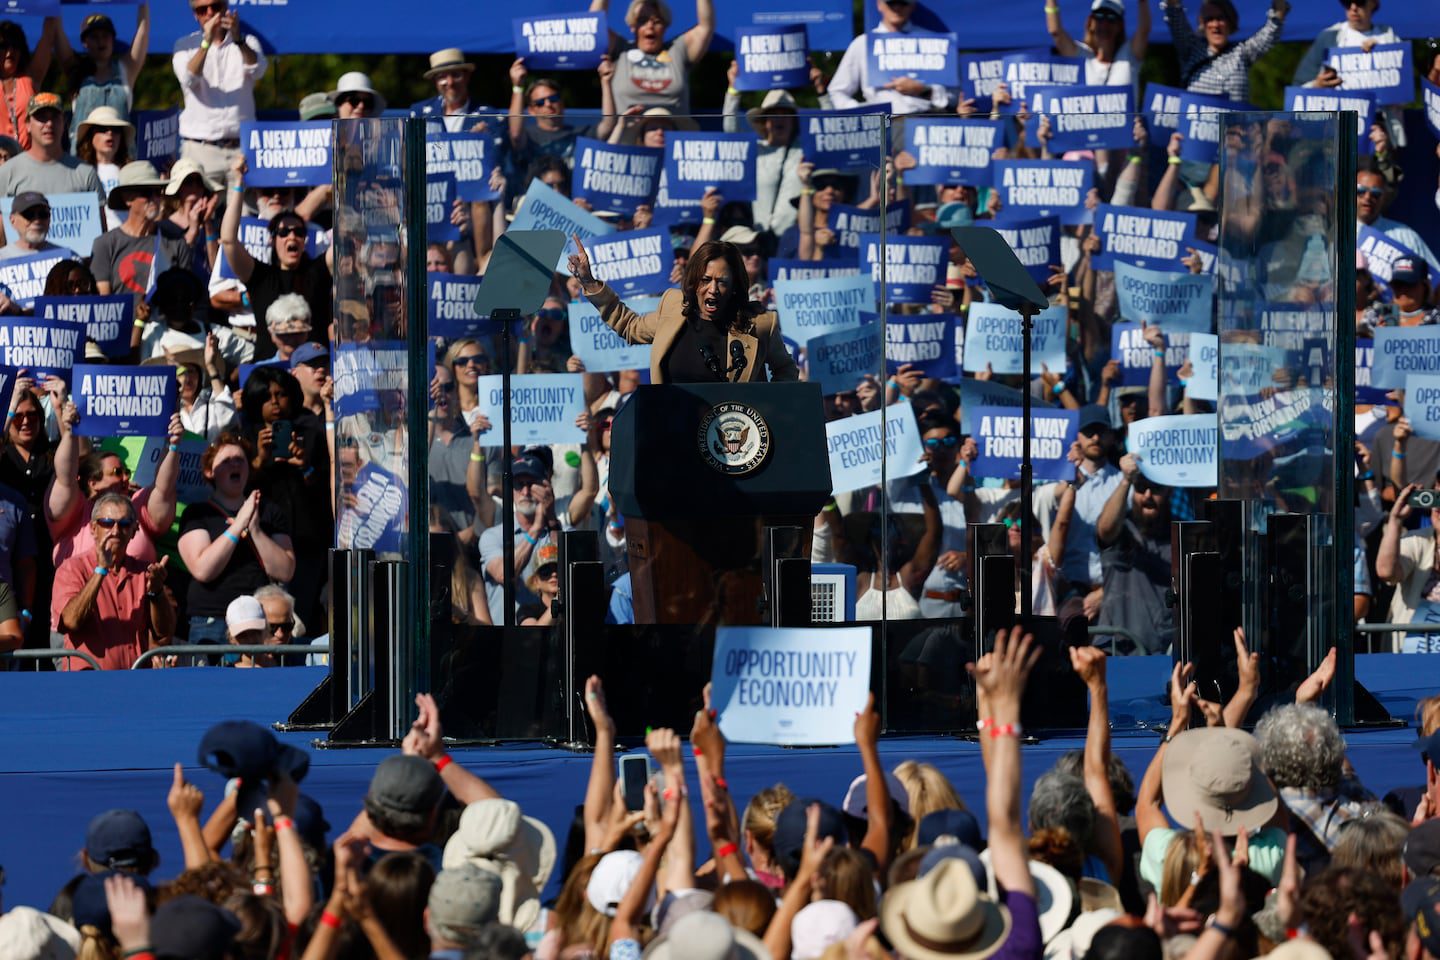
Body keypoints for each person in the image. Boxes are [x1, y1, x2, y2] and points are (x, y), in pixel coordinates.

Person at [568, 238, 798, 384]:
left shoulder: (759, 323)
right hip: (675, 434)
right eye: (706, 280)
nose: (713, 289)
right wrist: (589, 282)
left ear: (735, 286)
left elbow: (785, 369)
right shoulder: (673, 306)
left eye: (723, 281)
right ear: (694, 281)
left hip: (733, 444)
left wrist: (768, 410)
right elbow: (630, 326)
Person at [176, 432, 295, 648]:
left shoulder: (269, 512)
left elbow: (285, 570)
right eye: (226, 461)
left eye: (240, 460)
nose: (235, 465)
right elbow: (203, 569)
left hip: (260, 622)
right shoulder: (197, 513)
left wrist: (256, 530)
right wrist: (238, 526)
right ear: (209, 471)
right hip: (211, 621)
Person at [219, 156, 333, 362]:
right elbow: (228, 240)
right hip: (269, 372)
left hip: (313, 372)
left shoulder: (319, 270)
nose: (291, 236)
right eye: (284, 232)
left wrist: (345, 179)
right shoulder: (261, 276)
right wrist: (238, 183)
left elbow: (349, 237)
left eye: (298, 232)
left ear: (305, 239)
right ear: (272, 240)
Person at [53, 492, 174, 669]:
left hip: (134, 683)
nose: (116, 531)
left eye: (124, 524)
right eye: (107, 523)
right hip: (89, 683)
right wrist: (101, 569)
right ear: (94, 529)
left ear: (134, 531)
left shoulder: (146, 571)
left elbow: (164, 633)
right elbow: (71, 622)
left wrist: (156, 592)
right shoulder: (71, 568)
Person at [172, 0, 267, 184]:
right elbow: (189, 78)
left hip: (241, 147)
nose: (210, 13)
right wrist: (206, 42)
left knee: (244, 211)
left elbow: (258, 70)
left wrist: (238, 40)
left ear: (225, 8)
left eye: (215, 7)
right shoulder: (184, 45)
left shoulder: (247, 41)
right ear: (195, 16)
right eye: (202, 10)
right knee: (199, 211)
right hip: (200, 148)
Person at [1094, 452, 1175, 654]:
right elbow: (1105, 529)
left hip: (1162, 654)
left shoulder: (1180, 534)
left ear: (1168, 491)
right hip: (1114, 649)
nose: (1147, 495)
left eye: (1155, 488)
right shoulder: (1123, 529)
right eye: (1140, 488)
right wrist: (1126, 480)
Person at [828, 0, 952, 114]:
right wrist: (862, 115)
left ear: (912, 5)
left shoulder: (932, 42)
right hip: (881, 126)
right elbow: (837, 91)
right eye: (891, 3)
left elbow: (954, 97)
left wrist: (923, 90)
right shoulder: (863, 43)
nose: (897, 8)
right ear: (879, 4)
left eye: (903, 3)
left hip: (924, 124)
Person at [593, 0, 715, 116]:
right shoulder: (620, 50)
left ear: (665, 26)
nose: (650, 25)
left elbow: (705, 27)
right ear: (632, 26)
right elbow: (593, 25)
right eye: (642, 20)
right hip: (626, 134)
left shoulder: (678, 50)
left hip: (672, 134)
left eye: (657, 21)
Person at [91, 161, 193, 297]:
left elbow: (186, 294)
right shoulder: (105, 244)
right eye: (147, 193)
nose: (155, 199)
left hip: (164, 318)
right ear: (127, 199)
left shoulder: (177, 242)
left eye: (158, 192)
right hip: (123, 318)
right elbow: (103, 304)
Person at [1162, 0, 1288, 102]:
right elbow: (1174, 13)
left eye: (1221, 18)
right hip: (1196, 131)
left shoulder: (1242, 53)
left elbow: (1273, 30)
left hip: (1234, 131)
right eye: (1209, 19)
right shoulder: (1190, 49)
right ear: (1202, 23)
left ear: (1231, 21)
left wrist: (1279, 7)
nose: (1215, 24)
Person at [57, 9, 150, 140]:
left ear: (113, 40)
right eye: (94, 36)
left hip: (120, 157)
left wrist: (143, 4)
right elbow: (56, 29)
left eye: (105, 36)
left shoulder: (126, 68)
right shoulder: (74, 69)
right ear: (84, 42)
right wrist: (52, 5)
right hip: (81, 157)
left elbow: (143, 31)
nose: (101, 41)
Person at [0, 92, 104, 200]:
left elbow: (98, 216)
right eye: (41, 117)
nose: (49, 124)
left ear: (63, 123)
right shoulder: (7, 173)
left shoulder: (85, 173)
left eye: (54, 117)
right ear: (28, 125)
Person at [1045, 0, 1150, 94]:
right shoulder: (1081, 56)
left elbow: (1144, 30)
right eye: (1099, 17)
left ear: (1120, 26)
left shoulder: (1128, 56)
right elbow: (1056, 32)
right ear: (1090, 22)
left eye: (1111, 18)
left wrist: (1142, 2)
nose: (1104, 24)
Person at [0, 19, 60, 152]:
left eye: (15, 45)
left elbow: (49, 34)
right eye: (3, 46)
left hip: (28, 162)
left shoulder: (29, 78)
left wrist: (51, 5)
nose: (10, 51)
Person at [410, 48, 487, 132]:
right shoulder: (420, 113)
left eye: (456, 75)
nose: (450, 82)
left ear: (467, 77)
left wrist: (483, 141)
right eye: (442, 77)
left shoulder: (487, 116)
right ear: (435, 81)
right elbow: (409, 144)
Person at [74, 105, 133, 203]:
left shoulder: (133, 170)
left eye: (116, 129)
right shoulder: (78, 171)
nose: (110, 133)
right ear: (90, 136)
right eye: (102, 129)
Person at [0, 190, 68, 260]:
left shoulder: (67, 258)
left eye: (43, 214)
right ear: (13, 221)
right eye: (29, 215)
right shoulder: (2, 259)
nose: (37, 221)